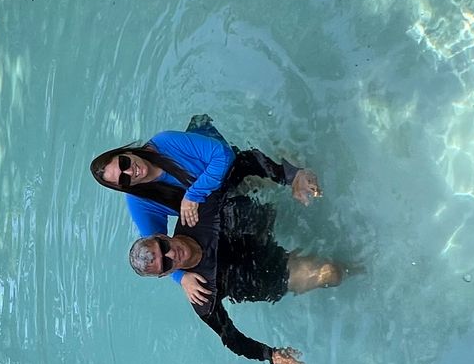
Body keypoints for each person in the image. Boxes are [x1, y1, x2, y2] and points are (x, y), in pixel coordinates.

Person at [90, 116, 320, 305]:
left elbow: (224, 155)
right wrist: (182, 277)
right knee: (245, 219)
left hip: (223, 162)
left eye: (123, 163)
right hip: (221, 202)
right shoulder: (139, 201)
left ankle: (294, 169)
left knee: (261, 178)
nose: (130, 172)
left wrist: (193, 194)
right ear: (123, 187)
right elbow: (153, 248)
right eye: (123, 179)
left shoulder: (164, 143)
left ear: (126, 152)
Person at [128, 194, 345, 364]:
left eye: (163, 246)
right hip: (262, 274)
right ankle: (358, 268)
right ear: (166, 273)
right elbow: (231, 338)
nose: (172, 254)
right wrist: (271, 355)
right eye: (166, 263)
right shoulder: (202, 294)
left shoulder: (193, 214)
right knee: (331, 272)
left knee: (283, 200)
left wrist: (287, 175)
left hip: (253, 230)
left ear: (161, 235)